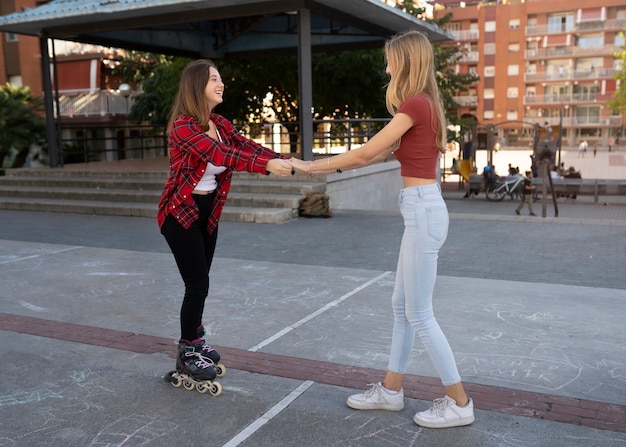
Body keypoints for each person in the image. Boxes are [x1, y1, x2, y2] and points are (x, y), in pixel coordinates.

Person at [291, 30, 474, 429]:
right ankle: (391, 391)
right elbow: (366, 158)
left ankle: (460, 402)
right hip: (420, 210)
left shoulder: (415, 105)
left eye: (390, 58)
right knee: (402, 307)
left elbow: (365, 153)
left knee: (420, 313)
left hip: (423, 211)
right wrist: (320, 165)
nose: (386, 64)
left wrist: (310, 166)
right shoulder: (420, 105)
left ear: (405, 61)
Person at [157, 59, 295, 383]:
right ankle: (187, 351)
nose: (221, 85)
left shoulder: (220, 123)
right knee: (197, 284)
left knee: (201, 281)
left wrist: (286, 160)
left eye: (220, 79)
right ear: (197, 86)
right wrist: (267, 167)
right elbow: (221, 156)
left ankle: (195, 338)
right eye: (214, 80)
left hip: (208, 212)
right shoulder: (183, 126)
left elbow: (247, 147)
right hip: (180, 212)